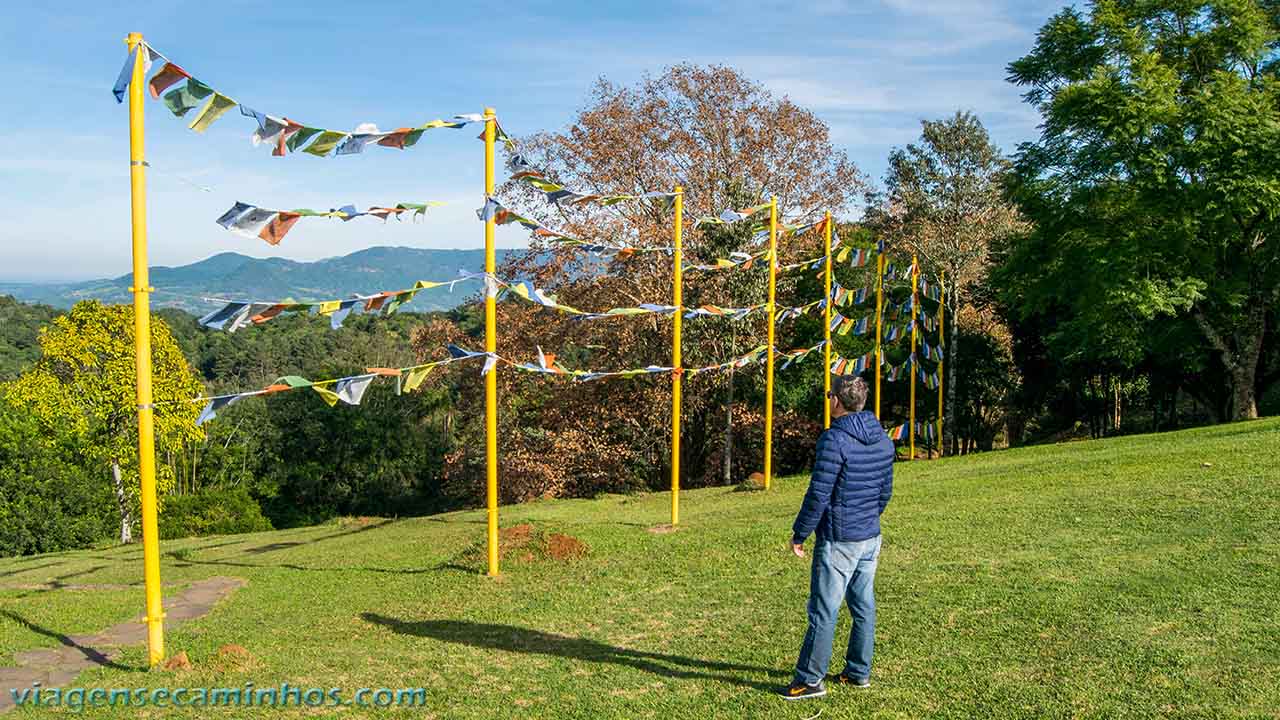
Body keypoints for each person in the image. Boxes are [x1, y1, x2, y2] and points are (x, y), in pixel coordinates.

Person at [779, 375, 894, 701]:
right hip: (870, 536)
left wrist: (800, 533)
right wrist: (868, 518)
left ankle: (810, 680)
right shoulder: (883, 439)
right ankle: (859, 672)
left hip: (841, 538)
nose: (827, 399)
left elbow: (818, 493)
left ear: (837, 401)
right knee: (863, 606)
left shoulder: (833, 440)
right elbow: (885, 493)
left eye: (829, 395)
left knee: (823, 610)